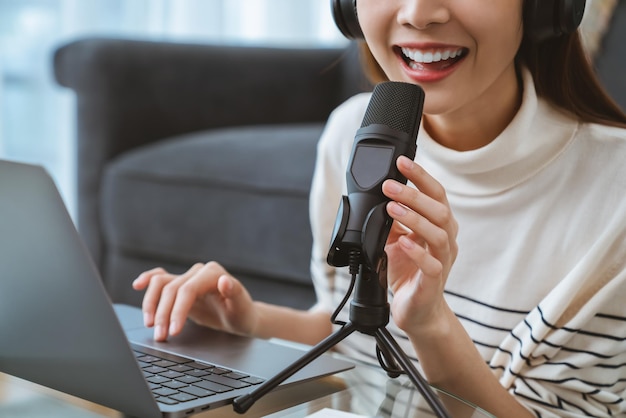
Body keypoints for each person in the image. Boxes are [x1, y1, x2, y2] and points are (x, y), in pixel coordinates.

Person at [132, 0, 626, 416]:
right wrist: (248, 323)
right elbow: (345, 330)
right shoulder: (353, 133)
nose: (419, 13)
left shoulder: (615, 193)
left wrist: (431, 325)